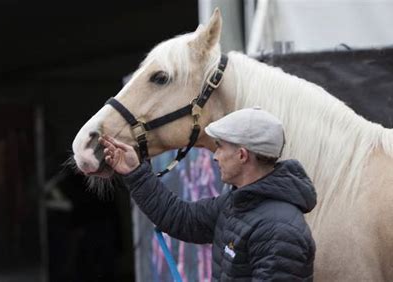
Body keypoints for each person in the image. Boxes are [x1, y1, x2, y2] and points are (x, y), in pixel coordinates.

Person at [99, 107, 317, 281]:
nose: (215, 156)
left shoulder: (278, 229)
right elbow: (180, 218)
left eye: (220, 147)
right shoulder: (237, 203)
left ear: (242, 155)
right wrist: (134, 172)